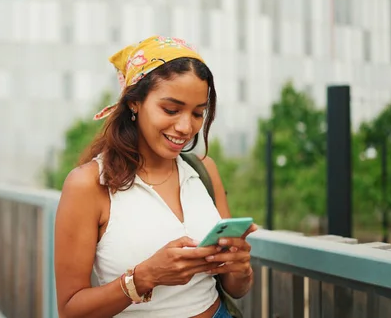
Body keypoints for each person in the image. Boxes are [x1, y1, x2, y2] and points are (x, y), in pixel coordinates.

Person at [54, 36, 257, 318]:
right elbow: (70, 310)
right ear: (134, 102)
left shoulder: (204, 170)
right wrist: (144, 277)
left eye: (198, 113)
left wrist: (240, 268)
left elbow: (235, 288)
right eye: (171, 110)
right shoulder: (88, 184)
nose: (186, 127)